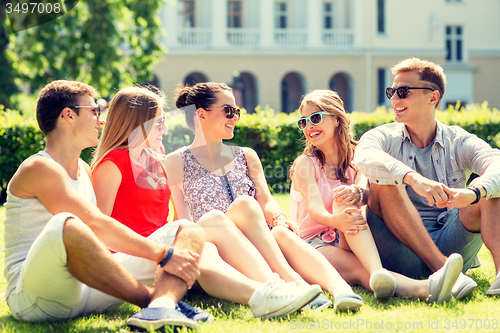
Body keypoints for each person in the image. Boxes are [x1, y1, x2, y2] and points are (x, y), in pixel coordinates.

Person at [90, 86, 321, 319]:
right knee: (211, 222)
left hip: (164, 249)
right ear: (138, 124)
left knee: (206, 245)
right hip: (139, 254)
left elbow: (165, 219)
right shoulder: (112, 164)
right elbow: (100, 229)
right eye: (160, 123)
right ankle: (273, 289)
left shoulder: (156, 162)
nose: (166, 128)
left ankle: (272, 290)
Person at [166, 82, 393, 312]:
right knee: (239, 207)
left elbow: (265, 200)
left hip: (259, 240)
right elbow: (183, 220)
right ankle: (292, 282)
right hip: (216, 243)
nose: (234, 117)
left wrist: (278, 218)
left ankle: (339, 290)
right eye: (228, 110)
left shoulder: (246, 155)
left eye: (236, 112)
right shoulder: (175, 161)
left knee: (277, 228)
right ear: (201, 115)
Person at [2, 80, 205, 332]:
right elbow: (95, 225)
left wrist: (168, 247)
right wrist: (164, 254)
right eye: (94, 110)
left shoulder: (85, 171)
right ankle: (150, 301)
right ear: (68, 115)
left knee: (188, 230)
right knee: (68, 225)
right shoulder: (38, 167)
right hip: (35, 296)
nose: (102, 119)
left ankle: (161, 306)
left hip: (85, 286)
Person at [290, 89, 464, 304]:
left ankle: (380, 273)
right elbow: (315, 210)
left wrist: (348, 209)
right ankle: (423, 286)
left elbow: (363, 192)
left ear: (336, 119)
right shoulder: (306, 164)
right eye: (303, 122)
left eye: (315, 118)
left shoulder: (360, 156)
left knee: (345, 197)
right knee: (360, 270)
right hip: (316, 244)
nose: (309, 127)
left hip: (354, 235)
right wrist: (336, 221)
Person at [353, 57, 500, 298]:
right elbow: (364, 156)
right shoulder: (382, 136)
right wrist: (412, 178)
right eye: (392, 92)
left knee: (489, 187)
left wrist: (474, 193)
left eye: (403, 91)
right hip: (400, 250)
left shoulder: (458, 140)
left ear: (433, 97)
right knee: (384, 182)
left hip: (452, 243)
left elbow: (497, 163)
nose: (394, 99)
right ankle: (442, 270)